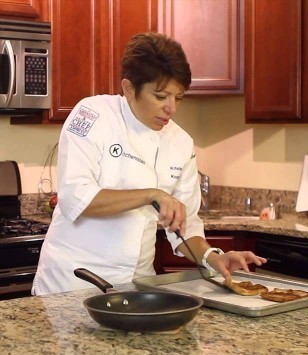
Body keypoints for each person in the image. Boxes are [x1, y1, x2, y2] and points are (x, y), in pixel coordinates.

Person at [32, 32, 266, 295]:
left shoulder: (180, 143)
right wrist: (152, 195)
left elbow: (184, 224)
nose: (171, 108)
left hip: (136, 285)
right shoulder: (93, 115)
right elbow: (76, 199)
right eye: (160, 96)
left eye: (178, 98)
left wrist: (213, 258)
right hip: (72, 281)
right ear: (129, 88)